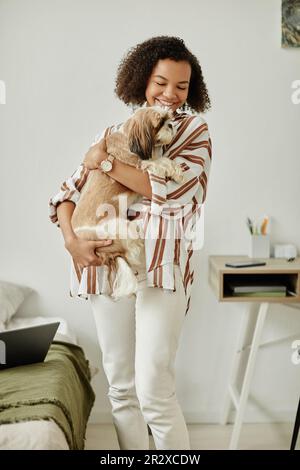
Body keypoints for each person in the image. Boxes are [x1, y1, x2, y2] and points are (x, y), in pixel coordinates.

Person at [49, 36, 212, 450]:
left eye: (181, 86)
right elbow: (66, 194)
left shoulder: (194, 132)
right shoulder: (112, 132)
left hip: (162, 268)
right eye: (161, 83)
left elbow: (170, 191)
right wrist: (71, 242)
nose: (170, 95)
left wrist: (104, 162)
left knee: (155, 388)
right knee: (121, 387)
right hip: (105, 267)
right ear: (142, 81)